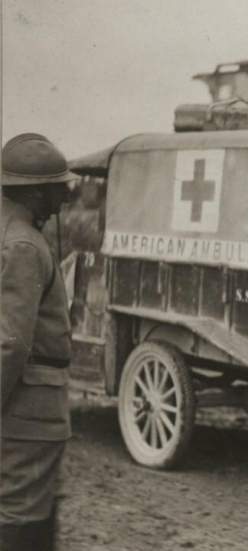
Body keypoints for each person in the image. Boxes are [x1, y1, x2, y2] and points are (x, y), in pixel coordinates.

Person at [1, 133, 75, 550]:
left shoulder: (9, 233)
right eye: (55, 188)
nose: (64, 197)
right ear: (32, 191)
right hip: (28, 412)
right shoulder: (24, 245)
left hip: (21, 408)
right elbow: (10, 343)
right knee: (22, 516)